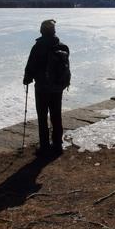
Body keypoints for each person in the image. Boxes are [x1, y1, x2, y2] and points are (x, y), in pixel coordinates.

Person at [23, 19, 70, 157]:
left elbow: (31, 65)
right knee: (56, 115)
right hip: (57, 88)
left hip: (42, 88)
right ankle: (57, 145)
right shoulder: (62, 46)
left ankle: (44, 147)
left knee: (42, 117)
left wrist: (27, 78)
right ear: (54, 31)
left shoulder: (38, 47)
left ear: (42, 31)